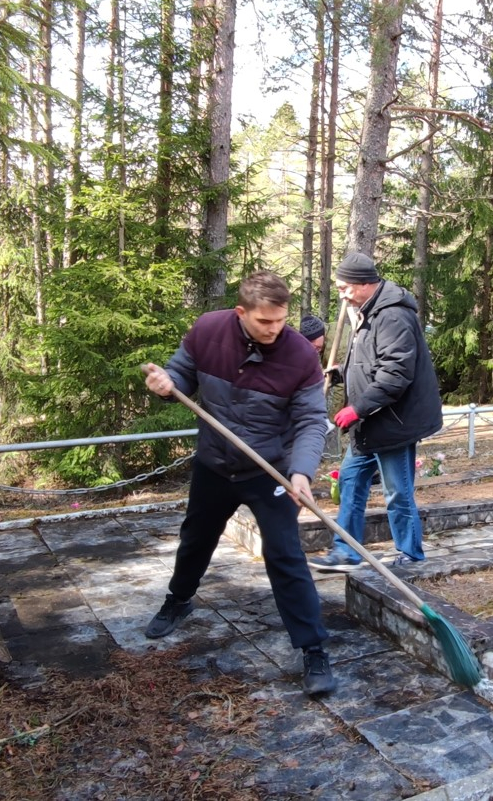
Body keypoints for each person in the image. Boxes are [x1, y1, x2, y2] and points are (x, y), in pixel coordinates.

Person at [141, 270, 336, 695]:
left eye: (281, 320)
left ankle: (313, 649)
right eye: (264, 322)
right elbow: (179, 375)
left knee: (285, 556)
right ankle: (178, 601)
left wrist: (301, 471)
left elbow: (309, 420)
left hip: (271, 470)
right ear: (240, 312)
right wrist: (162, 383)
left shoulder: (301, 355)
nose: (274, 330)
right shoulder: (209, 330)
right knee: (195, 538)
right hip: (214, 463)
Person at [309, 252, 444, 571]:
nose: (341, 294)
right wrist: (343, 373)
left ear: (365, 284)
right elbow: (373, 361)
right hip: (371, 423)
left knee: (397, 492)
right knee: (350, 482)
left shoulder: (392, 315)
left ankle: (410, 555)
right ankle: (347, 551)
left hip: (394, 422)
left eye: (345, 287)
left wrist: (356, 408)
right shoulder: (367, 311)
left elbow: (395, 374)